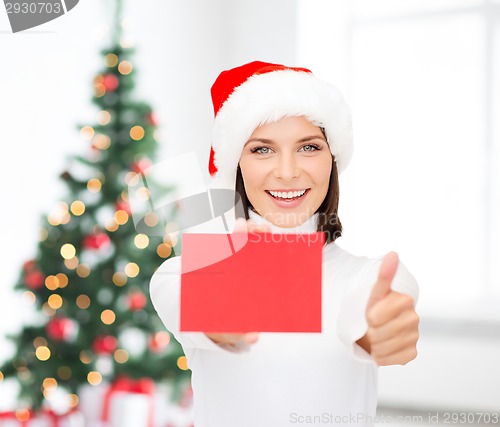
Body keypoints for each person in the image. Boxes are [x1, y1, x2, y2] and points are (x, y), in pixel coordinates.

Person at [150, 61, 419, 427]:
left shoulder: (372, 276)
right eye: (262, 150)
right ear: (237, 165)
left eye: (309, 147)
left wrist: (380, 331)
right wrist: (220, 311)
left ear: (332, 160)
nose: (288, 171)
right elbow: (191, 304)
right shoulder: (184, 272)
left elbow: (377, 314)